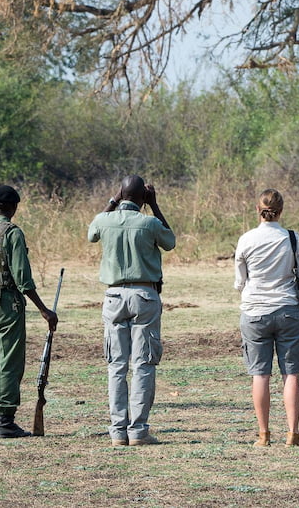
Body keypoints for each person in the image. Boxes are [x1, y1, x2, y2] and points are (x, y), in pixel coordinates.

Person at [88, 176, 175, 446]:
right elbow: (170, 241)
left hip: (113, 296)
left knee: (116, 365)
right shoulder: (149, 223)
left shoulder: (105, 220)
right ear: (143, 199)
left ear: (121, 194)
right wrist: (156, 206)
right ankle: (138, 431)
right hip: (144, 295)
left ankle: (117, 431)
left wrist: (114, 199)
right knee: (143, 364)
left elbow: (91, 233)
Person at [0, 184, 58, 439]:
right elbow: (23, 279)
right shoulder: (12, 233)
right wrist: (44, 310)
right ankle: (6, 422)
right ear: (11, 207)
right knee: (9, 360)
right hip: (6, 302)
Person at [233, 189, 299, 447]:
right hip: (288, 309)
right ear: (281, 211)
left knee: (260, 374)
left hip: (254, 312)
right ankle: (292, 433)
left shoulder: (246, 239)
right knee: (291, 373)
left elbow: (240, 281)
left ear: (258, 210)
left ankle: (264, 435)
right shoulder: (293, 237)